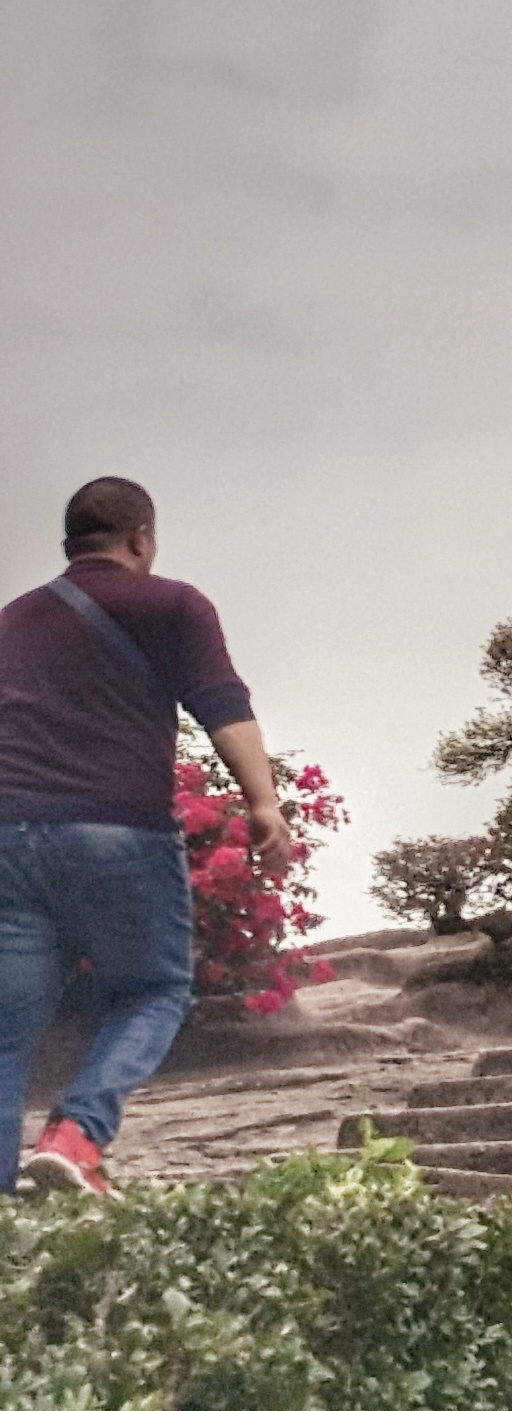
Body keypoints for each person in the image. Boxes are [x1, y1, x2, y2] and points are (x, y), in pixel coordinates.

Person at [0, 476, 293, 1196]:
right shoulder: (172, 604)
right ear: (141, 538)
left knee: (8, 1031)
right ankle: (77, 1132)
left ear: (71, 543)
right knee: (153, 988)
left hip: (11, 840)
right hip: (117, 829)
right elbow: (222, 702)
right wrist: (263, 802)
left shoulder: (11, 621)